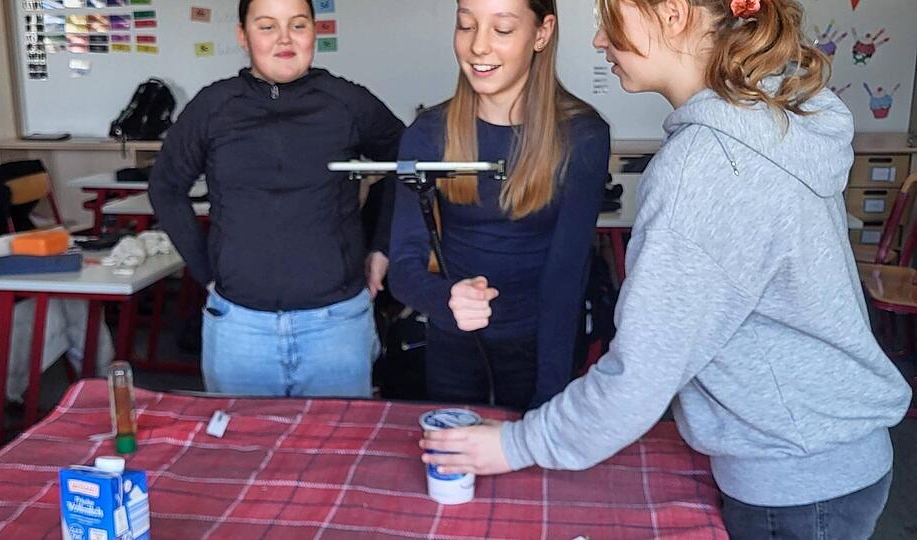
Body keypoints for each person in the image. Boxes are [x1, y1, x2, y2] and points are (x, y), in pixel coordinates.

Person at [419, 0, 912, 537]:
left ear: (673, 14)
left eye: (609, 20)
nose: (599, 41)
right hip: (832, 456)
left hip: (795, 480)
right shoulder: (769, 120)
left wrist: (514, 444)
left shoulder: (705, 167)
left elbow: (639, 378)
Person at [149, 0, 404, 398]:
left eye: (298, 25)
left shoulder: (347, 101)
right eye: (267, 26)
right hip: (239, 326)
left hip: (336, 325)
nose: (284, 39)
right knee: (242, 438)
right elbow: (165, 187)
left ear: (314, 31)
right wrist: (208, 272)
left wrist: (381, 246)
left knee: (335, 437)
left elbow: (407, 165)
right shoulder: (214, 106)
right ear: (243, 35)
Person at [387, 0, 610, 411]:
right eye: (466, 25)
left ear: (542, 33)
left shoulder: (583, 136)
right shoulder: (427, 133)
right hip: (451, 349)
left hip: (540, 349)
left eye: (502, 29)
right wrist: (445, 298)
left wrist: (548, 400)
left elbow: (567, 278)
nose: (478, 46)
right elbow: (402, 265)